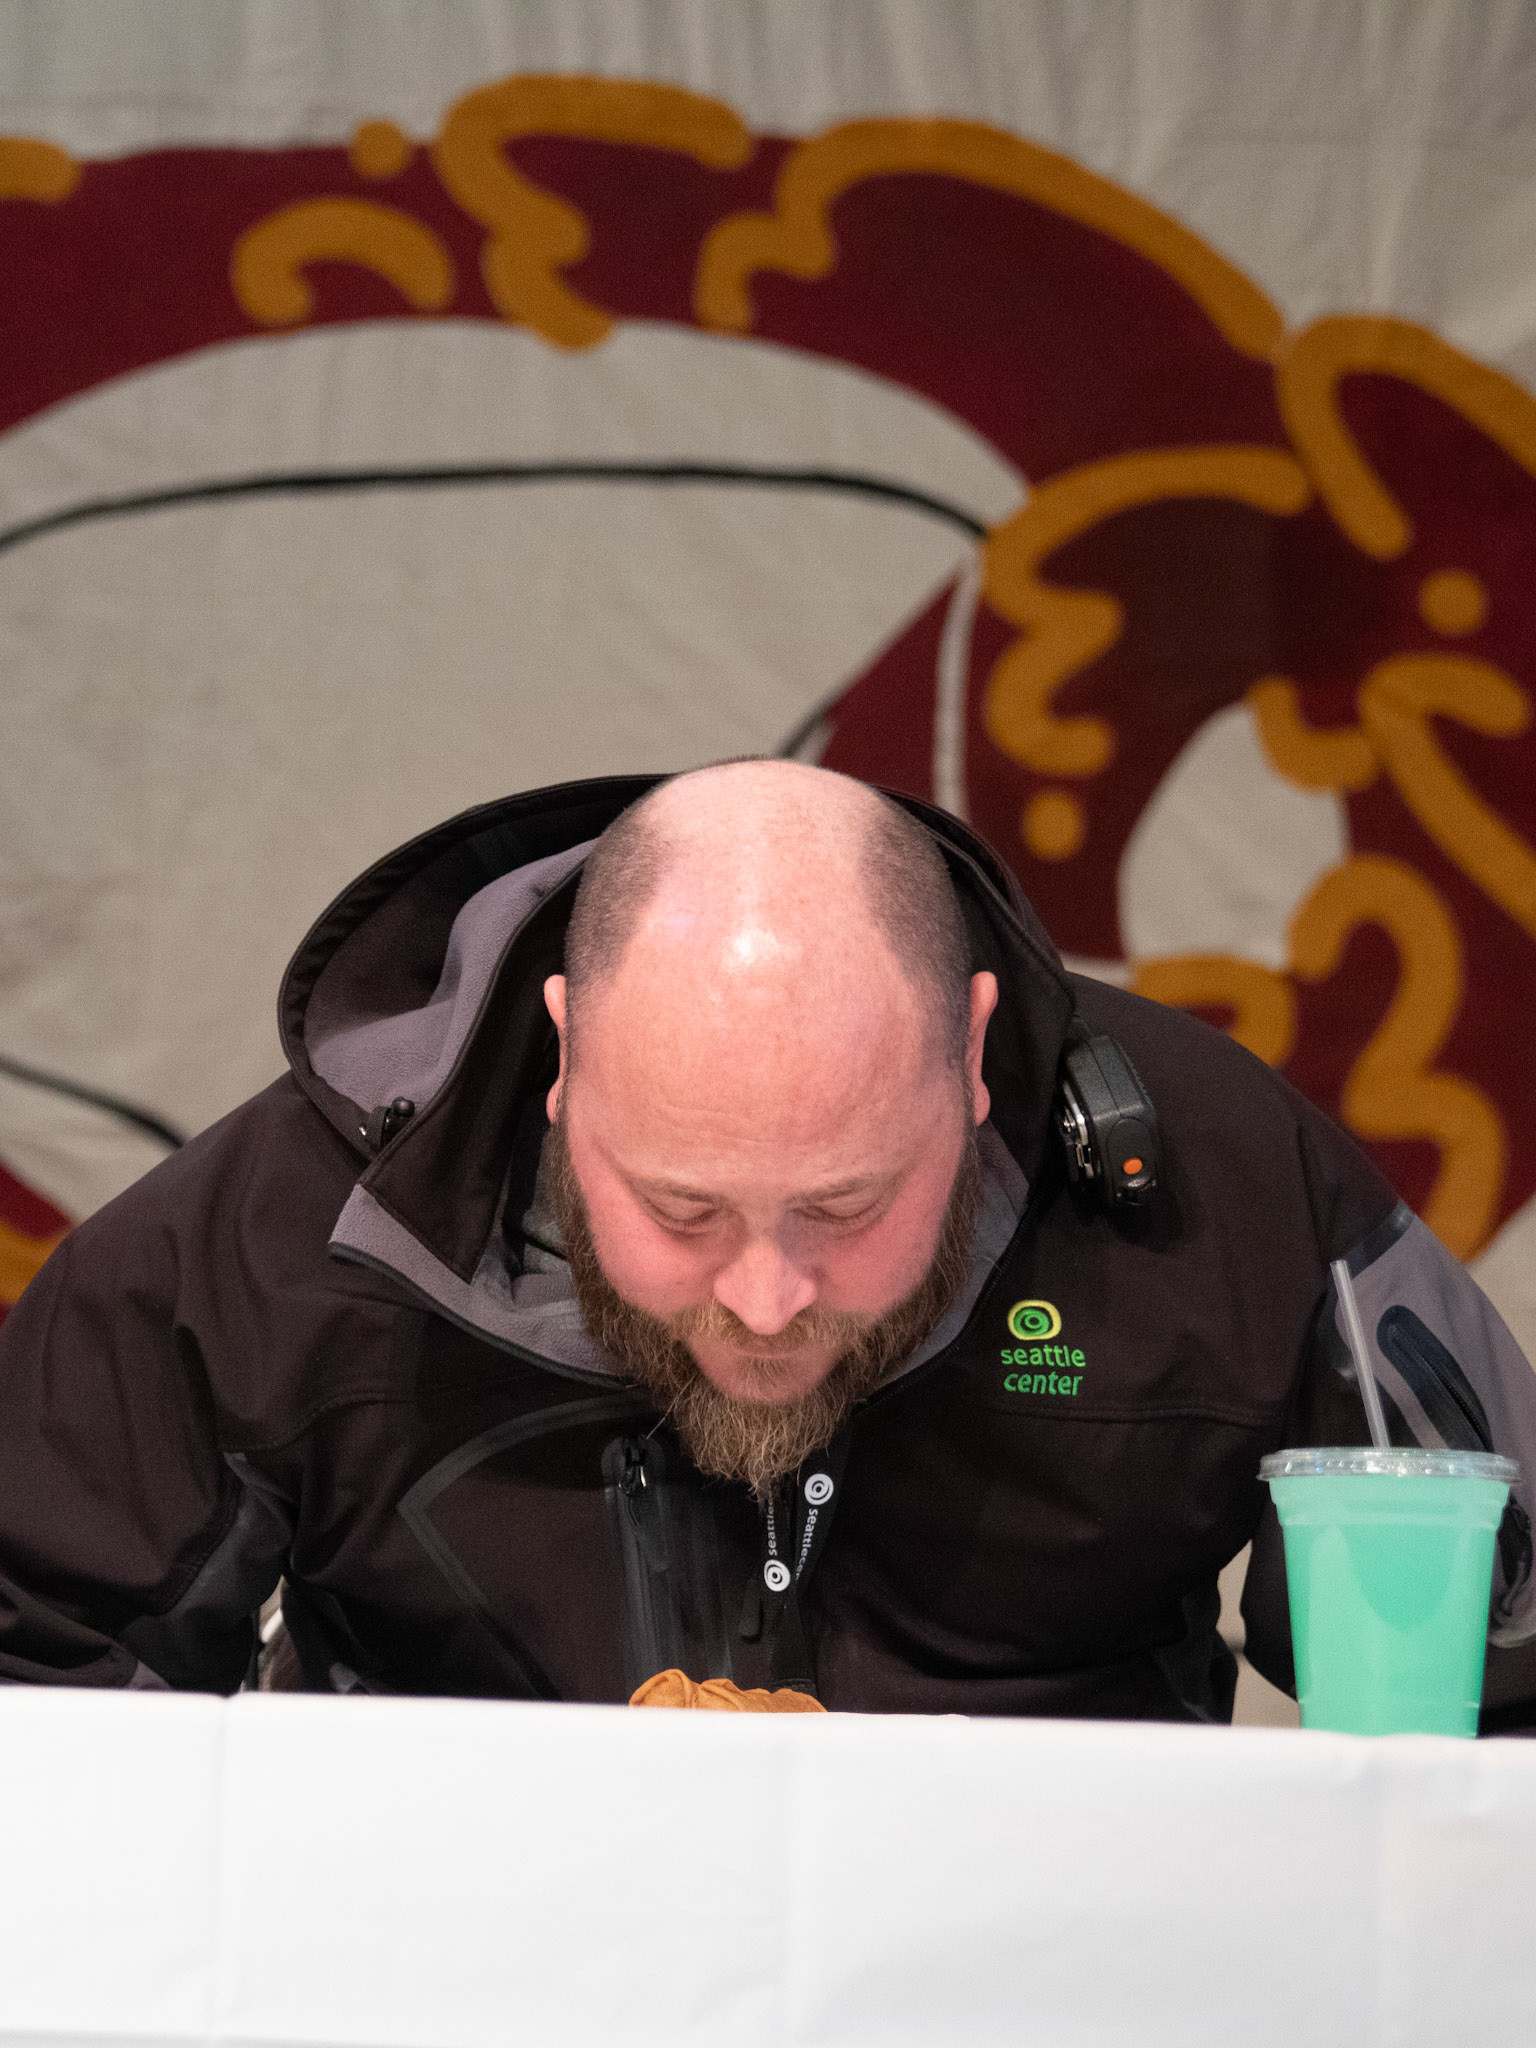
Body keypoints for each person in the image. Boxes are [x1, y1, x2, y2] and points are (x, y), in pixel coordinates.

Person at [2, 760, 1535, 1722]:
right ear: (563, 1056)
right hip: (451, 1979)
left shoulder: (1225, 1184)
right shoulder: (289, 1229)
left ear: (970, 1055)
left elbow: (1503, 1671)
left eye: (846, 1207)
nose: (762, 1295)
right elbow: (38, 1680)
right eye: (680, 1210)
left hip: (1058, 1982)